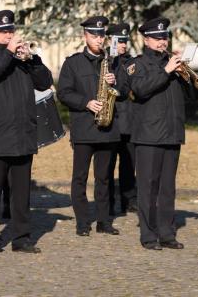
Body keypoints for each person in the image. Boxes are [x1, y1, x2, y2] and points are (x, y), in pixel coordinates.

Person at [0, 10, 53, 256]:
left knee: (21, 193)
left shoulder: (21, 59)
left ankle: (22, 238)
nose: (9, 35)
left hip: (23, 134)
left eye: (11, 31)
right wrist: (8, 54)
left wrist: (32, 60)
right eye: (4, 32)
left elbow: (44, 82)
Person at [127, 17, 198, 250]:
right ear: (146, 39)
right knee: (148, 187)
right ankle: (149, 236)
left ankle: (167, 233)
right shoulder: (137, 64)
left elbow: (194, 96)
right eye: (158, 38)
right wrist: (166, 70)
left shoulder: (173, 63)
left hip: (172, 132)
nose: (162, 41)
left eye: (164, 37)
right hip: (148, 135)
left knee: (168, 187)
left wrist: (186, 76)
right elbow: (140, 89)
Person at [57, 16, 123, 237]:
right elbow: (63, 93)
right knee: (80, 178)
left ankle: (104, 221)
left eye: (102, 35)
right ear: (85, 36)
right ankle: (83, 222)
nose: (99, 39)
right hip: (84, 129)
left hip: (108, 129)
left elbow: (127, 90)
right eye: (94, 35)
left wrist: (117, 83)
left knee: (104, 178)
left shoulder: (113, 61)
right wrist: (85, 103)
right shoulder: (72, 63)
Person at [106, 22, 138, 215]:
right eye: (119, 41)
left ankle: (129, 200)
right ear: (110, 41)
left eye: (125, 41)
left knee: (129, 164)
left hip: (129, 121)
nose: (123, 45)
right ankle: (108, 202)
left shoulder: (132, 62)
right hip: (109, 120)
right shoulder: (104, 61)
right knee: (107, 166)